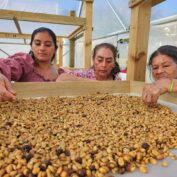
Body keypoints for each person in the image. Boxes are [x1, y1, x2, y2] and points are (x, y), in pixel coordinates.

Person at [0, 27, 64, 101]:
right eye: (37, 44)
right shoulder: (24, 63)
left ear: (55, 49)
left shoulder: (59, 72)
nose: (42, 48)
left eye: (48, 45)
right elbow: (7, 66)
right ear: (31, 46)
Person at [57, 43, 121, 81]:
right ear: (93, 60)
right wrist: (98, 84)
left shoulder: (116, 79)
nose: (104, 65)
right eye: (100, 60)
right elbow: (62, 78)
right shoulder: (84, 75)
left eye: (109, 61)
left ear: (114, 63)